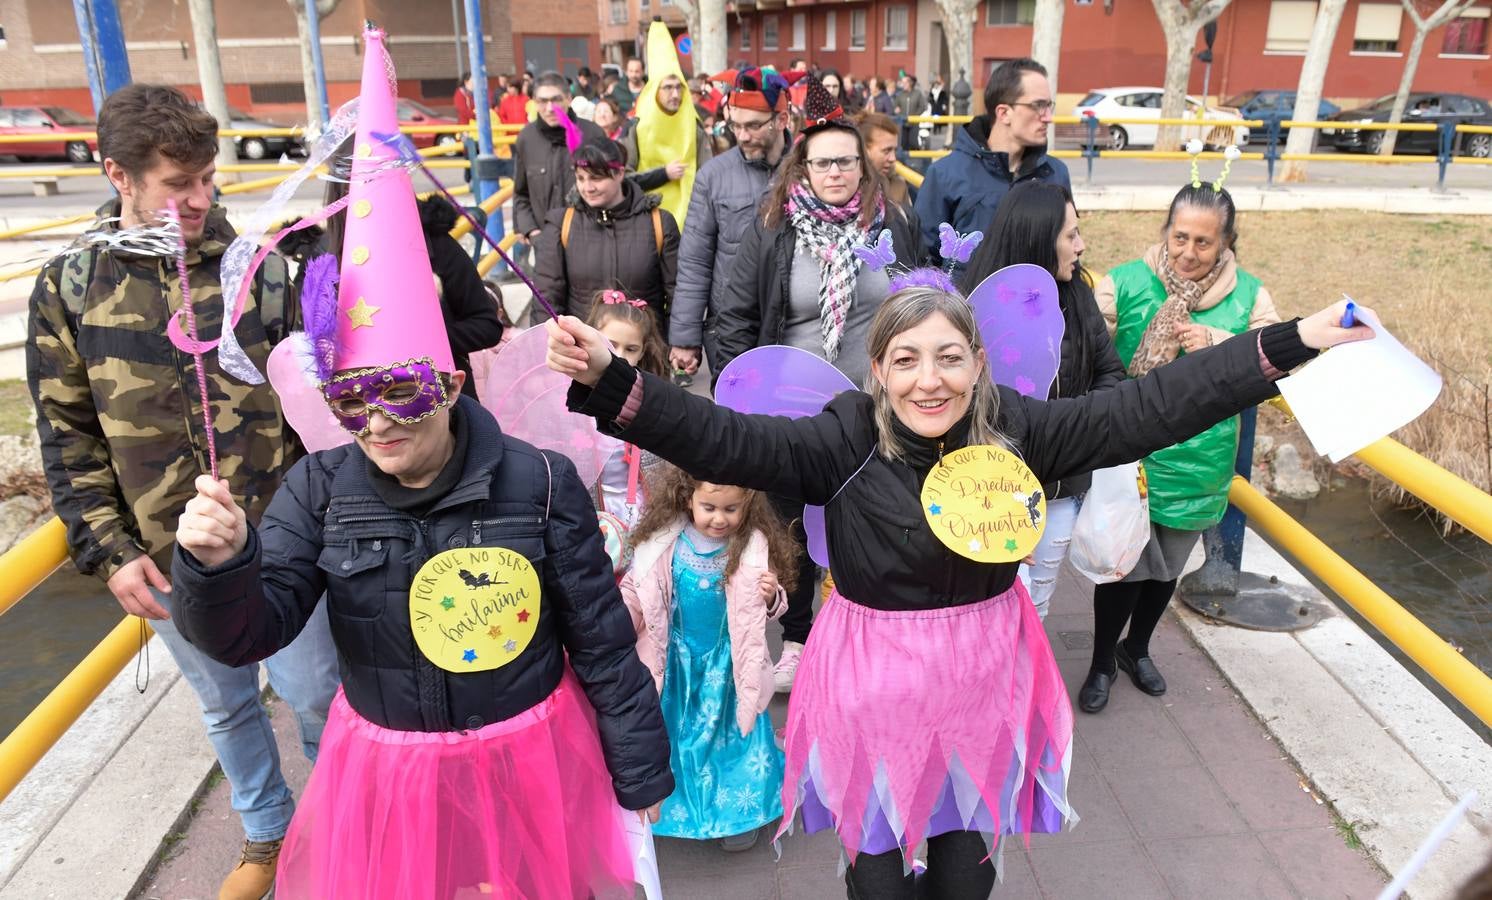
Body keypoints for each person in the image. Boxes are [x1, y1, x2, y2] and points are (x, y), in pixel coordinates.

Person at [547, 270, 1370, 895]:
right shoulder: (840, 442)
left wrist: (1296, 340)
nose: (928, 380)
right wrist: (611, 381)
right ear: (878, 368)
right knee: (874, 875)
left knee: (963, 873)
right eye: (905, 360)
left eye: (948, 358)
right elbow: (723, 437)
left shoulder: (1022, 431)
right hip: (872, 685)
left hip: (983, 676)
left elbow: (1152, 408)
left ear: (978, 362)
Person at [170, 30, 673, 898]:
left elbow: (600, 642)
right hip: (392, 775)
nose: (377, 425)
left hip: (529, 756)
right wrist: (216, 569)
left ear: (446, 384)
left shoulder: (541, 481)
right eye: (353, 402)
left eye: (401, 395)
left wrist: (638, 780)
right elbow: (251, 632)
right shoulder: (317, 490)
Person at [25, 83, 338, 899]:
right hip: (169, 555)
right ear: (119, 175)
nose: (199, 199)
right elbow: (67, 437)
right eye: (177, 182)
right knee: (228, 706)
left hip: (287, 538)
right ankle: (267, 832)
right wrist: (112, 551)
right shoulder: (68, 288)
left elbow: (322, 411)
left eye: (207, 178)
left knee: (317, 693)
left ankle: (342, 822)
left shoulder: (262, 271)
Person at [715, 75, 923, 694]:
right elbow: (734, 319)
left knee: (874, 515)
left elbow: (918, 300)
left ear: (864, 165)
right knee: (794, 523)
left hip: (879, 408)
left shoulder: (893, 224)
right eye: (823, 162)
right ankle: (801, 637)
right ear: (801, 167)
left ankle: (872, 623)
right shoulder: (775, 228)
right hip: (792, 412)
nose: (836, 172)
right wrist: (742, 401)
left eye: (847, 161)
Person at [1083, 179, 1282, 713]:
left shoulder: (1250, 296)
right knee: (1122, 565)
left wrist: (1222, 345)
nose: (1188, 253)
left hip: (1203, 458)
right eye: (1180, 238)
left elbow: (1279, 361)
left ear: (1226, 242)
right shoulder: (1121, 284)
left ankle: (1137, 648)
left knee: (1166, 569)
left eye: (1203, 242)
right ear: (1165, 232)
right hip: (1131, 453)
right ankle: (1102, 659)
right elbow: (1086, 355)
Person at [959, 180, 1126, 620]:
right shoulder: (969, 306)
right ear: (1037, 236)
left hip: (1057, 491)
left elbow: (1111, 373)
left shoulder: (1076, 296)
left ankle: (1024, 687)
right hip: (987, 495)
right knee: (980, 607)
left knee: (1034, 609)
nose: (1081, 245)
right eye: (1070, 235)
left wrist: (1072, 428)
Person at [620, 466, 796, 851]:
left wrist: (771, 597)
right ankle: (676, 805)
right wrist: (614, 624)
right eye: (709, 507)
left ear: (747, 506)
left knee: (732, 738)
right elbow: (638, 590)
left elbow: (772, 604)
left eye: (731, 509)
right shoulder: (663, 542)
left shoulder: (751, 546)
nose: (720, 518)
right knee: (676, 736)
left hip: (730, 668)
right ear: (688, 499)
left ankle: (739, 813)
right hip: (676, 662)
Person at [667, 67, 793, 381]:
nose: (742, 136)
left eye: (753, 125)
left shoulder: (809, 168)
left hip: (793, 326)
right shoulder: (713, 175)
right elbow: (695, 260)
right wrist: (685, 338)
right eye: (735, 125)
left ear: (781, 120)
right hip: (730, 328)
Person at [915, 58, 1070, 268]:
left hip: (1038, 300)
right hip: (964, 300)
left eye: (1049, 106)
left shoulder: (1055, 173)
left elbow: (1068, 251)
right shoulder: (945, 174)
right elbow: (923, 261)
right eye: (1039, 106)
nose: (1048, 117)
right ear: (1004, 112)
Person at [532, 134, 680, 324]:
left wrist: (680, 343)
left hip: (645, 347)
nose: (587, 187)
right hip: (581, 347)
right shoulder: (561, 224)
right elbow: (547, 297)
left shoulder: (659, 223)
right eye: (580, 178)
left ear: (619, 173)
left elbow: (679, 292)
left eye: (596, 178)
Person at [586, 292, 670, 532]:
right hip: (592, 507)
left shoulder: (651, 398)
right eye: (611, 344)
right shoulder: (572, 400)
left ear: (643, 352)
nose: (619, 356)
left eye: (631, 348)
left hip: (641, 507)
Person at [621, 21, 714, 227]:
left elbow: (708, 173)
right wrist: (663, 174)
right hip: (647, 220)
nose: (675, 94)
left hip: (691, 221)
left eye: (679, 87)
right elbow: (623, 178)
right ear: (655, 90)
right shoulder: (635, 127)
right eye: (668, 88)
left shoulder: (694, 125)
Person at [513, 72, 608, 259]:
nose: (549, 108)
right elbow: (521, 193)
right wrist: (531, 232)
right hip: (545, 246)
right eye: (542, 101)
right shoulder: (526, 138)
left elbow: (611, 188)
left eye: (556, 100)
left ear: (569, 98)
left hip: (592, 244)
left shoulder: (592, 134)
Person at [857, 111, 916, 210]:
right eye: (886, 151)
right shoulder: (845, 188)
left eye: (894, 150)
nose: (893, 159)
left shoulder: (899, 187)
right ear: (864, 150)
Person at [891, 73, 928, 151]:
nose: (903, 85)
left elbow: (922, 106)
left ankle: (913, 160)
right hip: (903, 123)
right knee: (903, 143)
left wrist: (915, 116)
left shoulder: (917, 94)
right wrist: (896, 109)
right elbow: (895, 105)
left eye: (905, 83)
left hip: (914, 123)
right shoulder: (900, 95)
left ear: (910, 83)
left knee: (913, 142)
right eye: (902, 83)